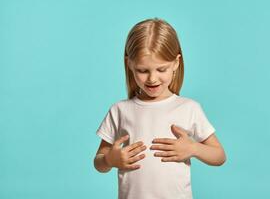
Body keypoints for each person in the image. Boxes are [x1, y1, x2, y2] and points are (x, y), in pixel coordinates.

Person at [93, 17, 226, 199]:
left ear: (176, 63)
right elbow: (99, 161)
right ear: (129, 64)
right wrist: (109, 159)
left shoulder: (189, 108)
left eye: (161, 69)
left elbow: (219, 155)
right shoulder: (120, 110)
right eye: (143, 70)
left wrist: (194, 149)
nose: (152, 79)